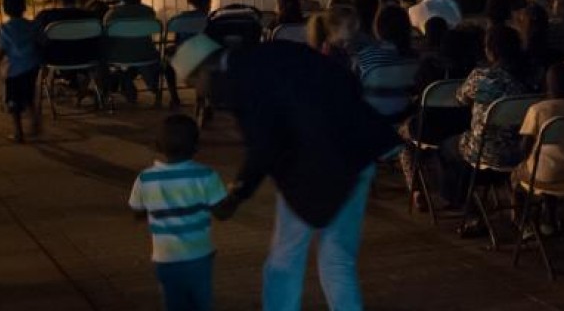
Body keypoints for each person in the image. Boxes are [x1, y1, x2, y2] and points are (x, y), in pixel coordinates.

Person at [173, 32, 400, 311]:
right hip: (357, 152)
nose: (198, 92)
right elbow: (346, 80)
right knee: (338, 259)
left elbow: (263, 145)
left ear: (206, 68)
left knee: (285, 259)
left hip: (309, 170)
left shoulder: (240, 82)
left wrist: (239, 192)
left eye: (193, 83)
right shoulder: (276, 51)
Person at [440, 25, 536, 237]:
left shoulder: (481, 77)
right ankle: (514, 208)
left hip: (486, 153)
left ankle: (473, 212)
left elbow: (460, 99)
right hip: (524, 152)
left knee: (448, 147)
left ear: (491, 50)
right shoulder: (531, 78)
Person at [129, 115, 229, 311]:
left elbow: (136, 212)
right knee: (201, 303)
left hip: (165, 258)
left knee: (174, 304)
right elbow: (222, 213)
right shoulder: (206, 175)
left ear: (156, 145)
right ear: (196, 146)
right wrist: (232, 196)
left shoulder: (145, 179)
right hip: (199, 256)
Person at [0, 0, 41, 142]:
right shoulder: (32, 26)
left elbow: (1, 49)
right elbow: (41, 41)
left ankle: (18, 131)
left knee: (14, 101)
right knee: (29, 96)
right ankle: (34, 123)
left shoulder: (4, 29)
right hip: (32, 66)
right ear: (24, 7)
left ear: (5, 10)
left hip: (14, 70)